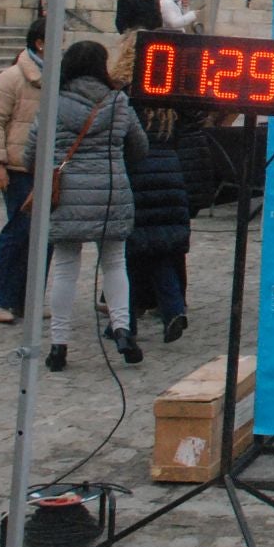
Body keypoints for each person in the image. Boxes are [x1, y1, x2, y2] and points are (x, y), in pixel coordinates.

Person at [25, 40, 147, 371]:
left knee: (65, 266)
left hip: (67, 194)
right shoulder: (118, 101)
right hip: (110, 190)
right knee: (114, 262)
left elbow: (32, 150)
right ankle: (122, 329)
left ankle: (59, 344)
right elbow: (139, 146)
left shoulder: (53, 102)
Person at [112, 33, 192, 344]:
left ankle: (124, 321)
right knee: (160, 250)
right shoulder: (169, 87)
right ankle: (173, 309)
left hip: (136, 175)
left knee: (128, 254)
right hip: (169, 172)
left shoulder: (124, 90)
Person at [0, 19, 46, 324]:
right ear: (39, 43)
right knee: (18, 233)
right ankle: (0, 297)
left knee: (46, 236)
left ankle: (29, 299)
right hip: (18, 167)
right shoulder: (12, 78)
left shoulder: (56, 77)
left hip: (47, 169)